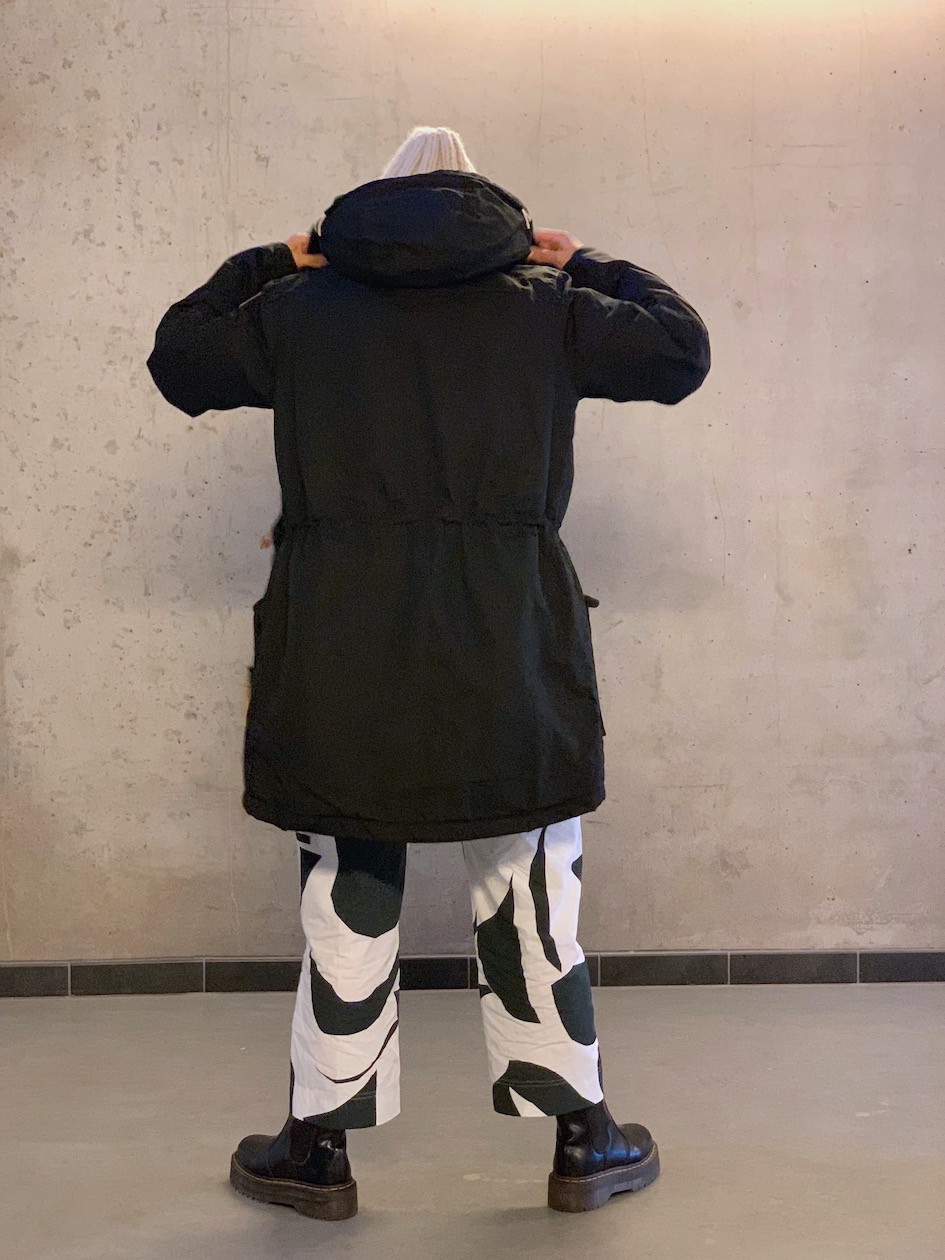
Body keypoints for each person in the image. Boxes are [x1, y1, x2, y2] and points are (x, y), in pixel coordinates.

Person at [145, 124, 710, 1219]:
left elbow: (180, 358)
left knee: (348, 880)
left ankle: (316, 1150)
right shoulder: (550, 307)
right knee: (529, 878)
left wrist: (275, 256)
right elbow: (679, 351)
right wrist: (587, 261)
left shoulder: (299, 309)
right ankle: (583, 1141)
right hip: (506, 635)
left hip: (340, 636)